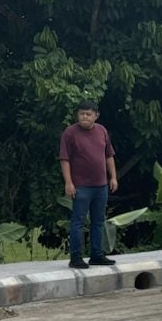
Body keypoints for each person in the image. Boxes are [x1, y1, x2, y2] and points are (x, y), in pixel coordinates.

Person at [59, 100, 118, 269]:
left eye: (88, 114)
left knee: (98, 221)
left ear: (96, 116)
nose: (84, 117)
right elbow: (64, 159)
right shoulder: (70, 133)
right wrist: (68, 182)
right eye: (81, 114)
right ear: (77, 115)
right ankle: (76, 257)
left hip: (101, 185)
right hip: (81, 186)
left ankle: (96, 255)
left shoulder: (102, 131)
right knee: (78, 221)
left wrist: (113, 177)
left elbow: (109, 155)